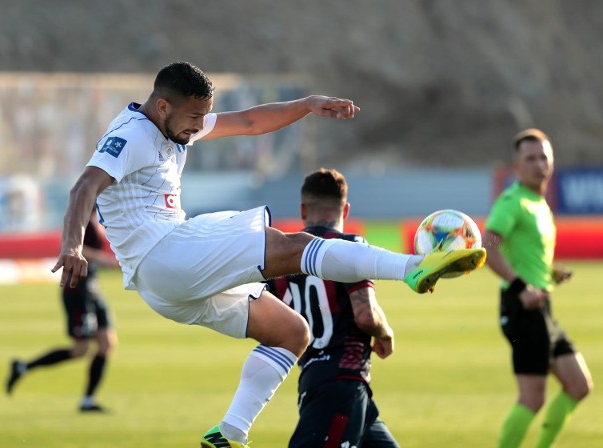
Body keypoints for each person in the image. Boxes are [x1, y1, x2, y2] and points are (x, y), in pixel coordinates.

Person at [51, 61, 485, 448]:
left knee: (292, 332)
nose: (199, 126)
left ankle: (230, 432)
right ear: (163, 107)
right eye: (194, 117)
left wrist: (309, 104)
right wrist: (72, 245)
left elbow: (251, 121)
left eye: (204, 116)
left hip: (166, 286)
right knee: (293, 247)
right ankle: (413, 267)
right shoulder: (132, 136)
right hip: (165, 254)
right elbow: (84, 186)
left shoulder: (170, 122)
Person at [267, 168, 399, 448]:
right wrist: (385, 332)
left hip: (315, 381)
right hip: (342, 383)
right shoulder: (351, 246)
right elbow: (365, 315)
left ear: (303, 209)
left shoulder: (283, 254)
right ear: (346, 209)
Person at [483, 128, 593, 448]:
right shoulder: (512, 201)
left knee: (579, 385)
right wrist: (521, 287)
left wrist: (548, 273)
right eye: (530, 159)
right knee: (532, 398)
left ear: (552, 162)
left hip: (542, 305)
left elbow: (524, 253)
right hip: (522, 308)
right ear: (516, 166)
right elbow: (488, 246)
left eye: (544, 157)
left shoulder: (539, 204)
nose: (538, 164)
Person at [6, 208, 118, 412]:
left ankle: (88, 401)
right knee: (80, 350)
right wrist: (101, 259)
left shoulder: (96, 215)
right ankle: (23, 367)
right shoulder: (79, 216)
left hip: (92, 287)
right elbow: (70, 247)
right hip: (77, 289)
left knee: (107, 343)